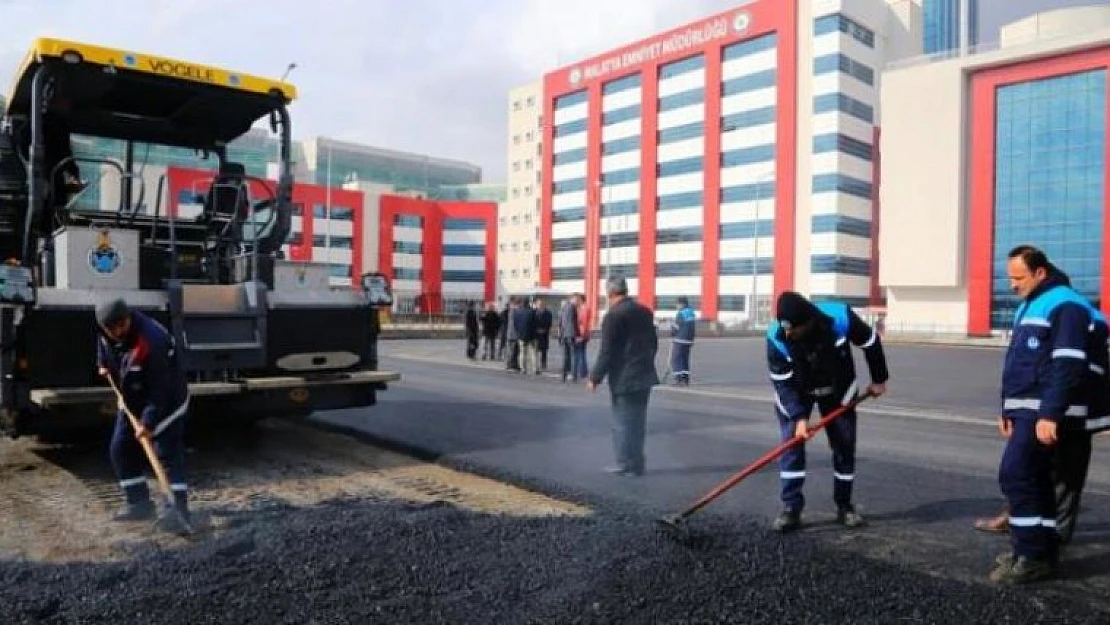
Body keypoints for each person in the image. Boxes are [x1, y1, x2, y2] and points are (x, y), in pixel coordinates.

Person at [985, 245, 1110, 584]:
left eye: (1018, 277)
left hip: (1046, 409)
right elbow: (1018, 364)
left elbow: (1067, 362)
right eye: (1009, 278)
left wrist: (1050, 414)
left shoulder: (1066, 304)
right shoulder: (1029, 305)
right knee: (1036, 479)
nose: (1012, 285)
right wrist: (1007, 408)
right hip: (1027, 407)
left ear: (1040, 272)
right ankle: (1037, 551)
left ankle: (1031, 553)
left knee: (1016, 474)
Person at [766, 291, 889, 533]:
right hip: (798, 391)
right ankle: (791, 509)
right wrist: (799, 418)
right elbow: (782, 382)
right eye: (785, 328)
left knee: (844, 446)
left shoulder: (840, 317)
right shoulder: (776, 337)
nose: (788, 333)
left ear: (809, 322)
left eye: (794, 329)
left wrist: (879, 379)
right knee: (792, 446)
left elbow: (870, 341)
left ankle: (844, 506)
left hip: (838, 389)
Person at [94, 297, 191, 532]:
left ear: (129, 318)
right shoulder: (107, 333)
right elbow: (105, 348)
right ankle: (139, 503)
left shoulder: (151, 341)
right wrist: (103, 364)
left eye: (122, 325)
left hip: (167, 400)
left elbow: (160, 391)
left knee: (165, 453)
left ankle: (177, 511)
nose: (118, 331)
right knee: (120, 448)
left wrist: (147, 423)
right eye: (112, 327)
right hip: (132, 399)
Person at [587, 277, 659, 476]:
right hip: (644, 374)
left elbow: (607, 351)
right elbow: (653, 342)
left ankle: (624, 463)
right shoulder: (645, 312)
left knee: (623, 422)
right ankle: (637, 463)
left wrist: (595, 377)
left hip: (624, 377)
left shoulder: (613, 315)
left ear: (609, 294)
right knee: (638, 422)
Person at [669, 297, 697, 386]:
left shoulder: (681, 313)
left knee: (675, 359)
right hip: (689, 340)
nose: (676, 306)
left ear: (682, 304)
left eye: (677, 304)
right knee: (684, 359)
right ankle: (686, 378)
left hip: (680, 339)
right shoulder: (691, 313)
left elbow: (676, 327)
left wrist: (672, 333)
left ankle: (679, 379)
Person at [512, 297, 538, 375]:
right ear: (528, 303)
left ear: (522, 303)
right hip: (531, 336)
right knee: (532, 353)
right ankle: (534, 369)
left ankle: (523, 369)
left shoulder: (516, 312)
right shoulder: (532, 312)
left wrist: (518, 332)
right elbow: (535, 324)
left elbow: (515, 324)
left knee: (522, 352)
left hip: (521, 335)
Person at [558, 296, 579, 383]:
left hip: (564, 334)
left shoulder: (563, 308)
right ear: (572, 300)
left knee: (565, 356)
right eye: (576, 300)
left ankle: (563, 375)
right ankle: (574, 375)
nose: (577, 302)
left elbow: (560, 323)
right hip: (571, 334)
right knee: (573, 355)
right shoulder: (572, 307)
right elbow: (574, 322)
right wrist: (577, 334)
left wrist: (560, 335)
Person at [573, 293, 592, 380]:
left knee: (580, 353)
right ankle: (583, 371)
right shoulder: (585, 308)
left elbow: (583, 323)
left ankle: (582, 372)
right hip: (585, 334)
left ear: (581, 300)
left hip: (581, 334)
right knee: (582, 352)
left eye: (578, 299)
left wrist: (580, 335)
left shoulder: (584, 309)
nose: (576, 301)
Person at [534, 298, 553, 374]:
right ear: (536, 304)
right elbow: (532, 322)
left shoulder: (548, 313)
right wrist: (536, 329)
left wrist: (545, 329)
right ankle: (535, 364)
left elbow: (549, 323)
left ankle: (543, 364)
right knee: (535, 350)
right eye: (538, 304)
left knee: (544, 350)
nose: (540, 305)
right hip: (536, 334)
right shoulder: (534, 312)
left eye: (541, 304)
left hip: (545, 334)